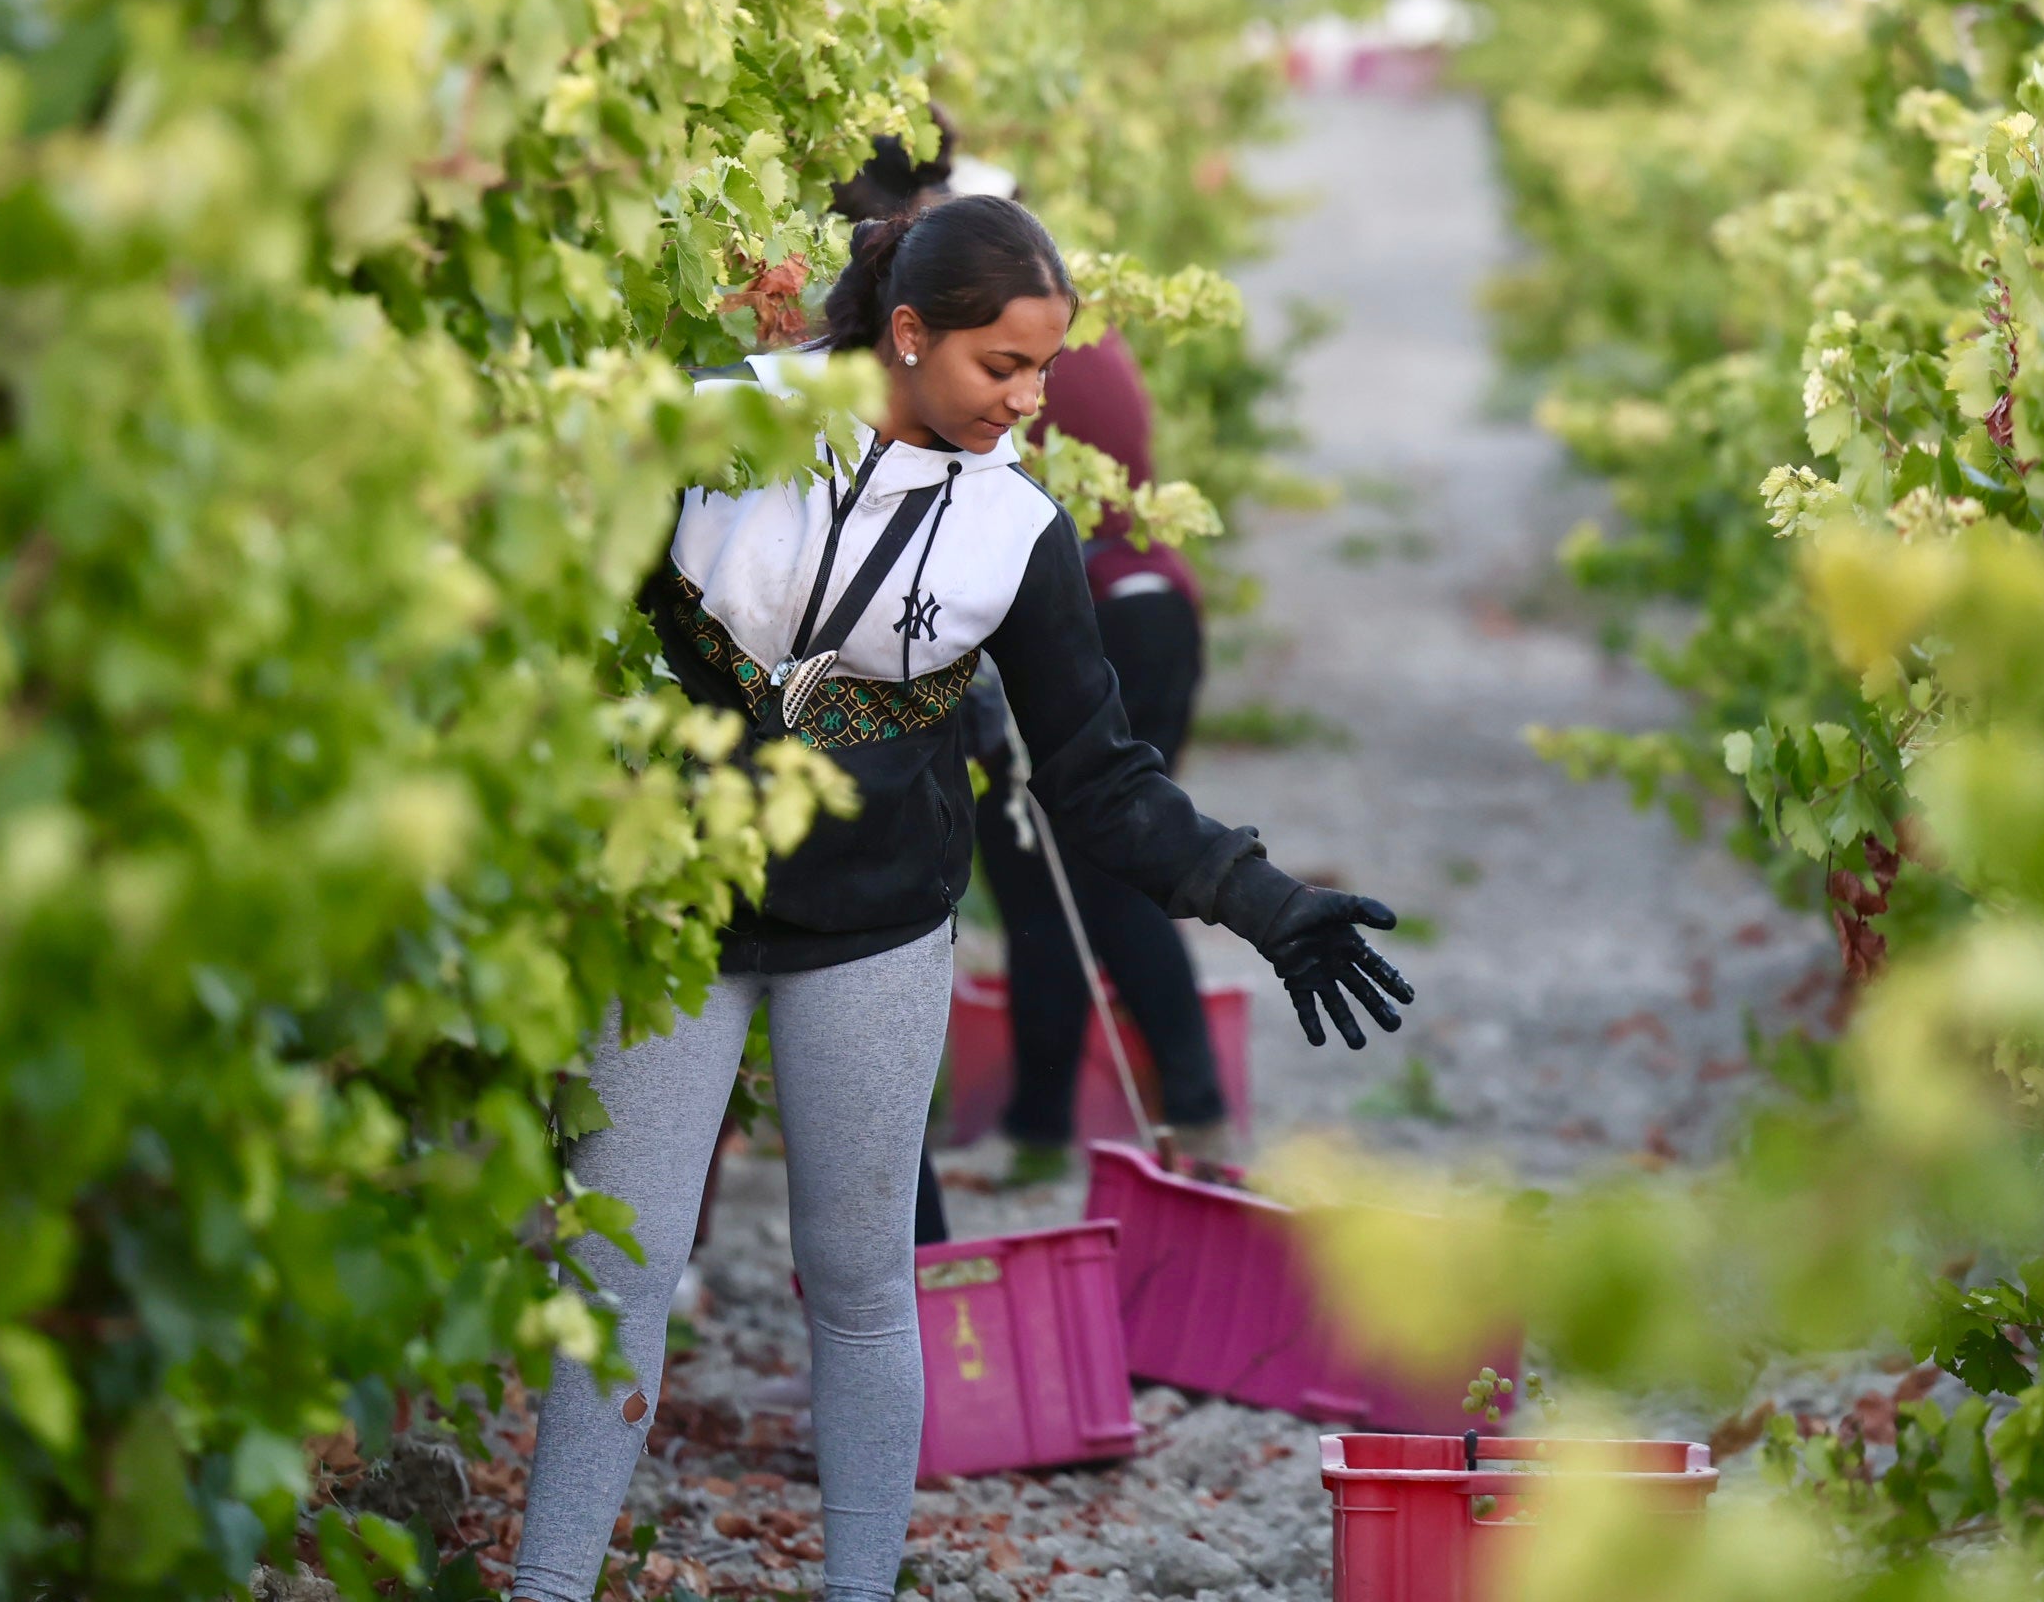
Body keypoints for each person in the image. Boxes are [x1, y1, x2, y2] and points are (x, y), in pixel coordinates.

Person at [510, 194, 1414, 1602]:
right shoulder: (710, 428)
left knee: (863, 1282)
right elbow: (560, 625)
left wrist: (1265, 902)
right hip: (668, 911)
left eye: (1045, 369)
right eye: (1003, 366)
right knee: (616, 1279)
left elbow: (1100, 778)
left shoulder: (1017, 530)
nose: (1029, 401)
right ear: (907, 333)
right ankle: (547, 1586)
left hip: (873, 929)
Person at [973, 322, 1229, 1179]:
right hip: (1155, 601)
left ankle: (1054, 1131)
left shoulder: (976, 310)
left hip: (1094, 611)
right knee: (1110, 870)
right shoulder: (1065, 310)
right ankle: (1179, 1117)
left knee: (1059, 880)